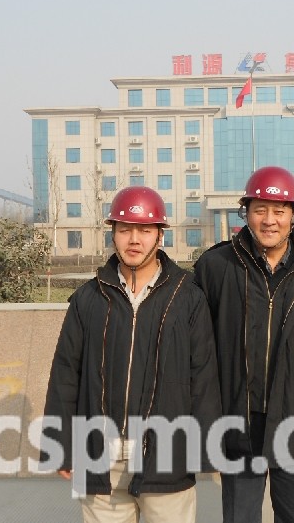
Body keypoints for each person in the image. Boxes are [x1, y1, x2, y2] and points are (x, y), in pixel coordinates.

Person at [42, 186, 222, 523]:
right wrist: (61, 445)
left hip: (166, 456)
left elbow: (203, 375)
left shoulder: (187, 297)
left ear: (160, 235)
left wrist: (205, 448)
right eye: (125, 230)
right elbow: (66, 374)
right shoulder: (89, 298)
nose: (134, 240)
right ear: (113, 233)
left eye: (144, 230)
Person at [194, 165, 294, 523]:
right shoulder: (217, 266)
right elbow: (196, 347)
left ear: (293, 215)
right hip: (239, 422)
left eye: (279, 211)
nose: (269, 220)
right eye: (260, 210)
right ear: (246, 213)